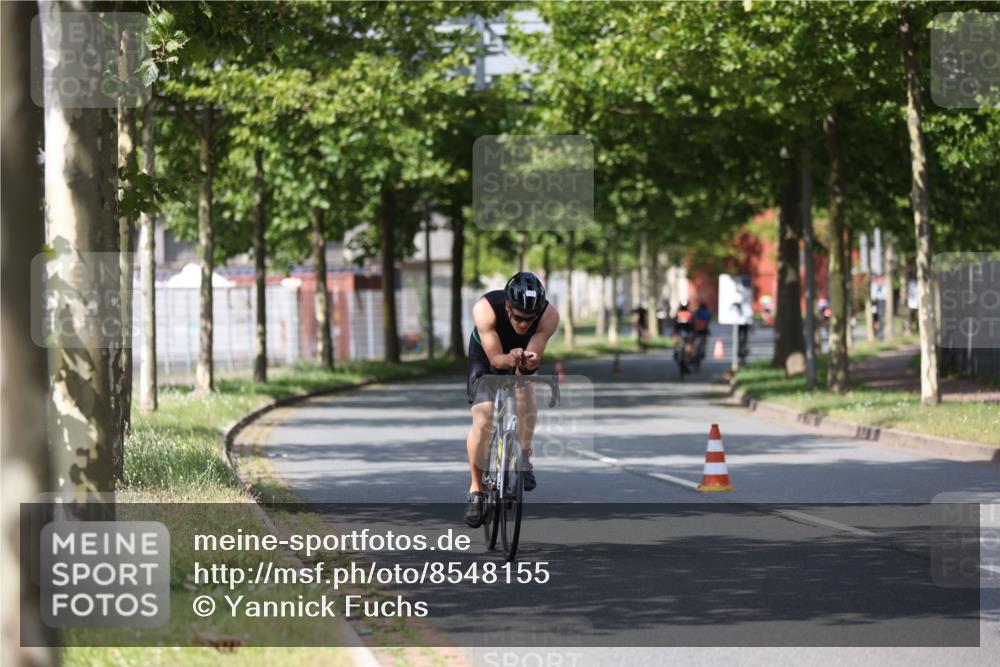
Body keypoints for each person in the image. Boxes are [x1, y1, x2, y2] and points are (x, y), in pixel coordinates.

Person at [464, 272, 560, 528]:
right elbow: (496, 360)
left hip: (521, 357)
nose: (523, 324)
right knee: (483, 419)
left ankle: (524, 457)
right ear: (508, 307)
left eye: (530, 319)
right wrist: (508, 357)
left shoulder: (549, 317)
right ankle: (476, 489)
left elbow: (529, 363)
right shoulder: (485, 309)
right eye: (518, 317)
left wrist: (526, 364)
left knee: (525, 387)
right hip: (487, 355)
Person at [672, 299, 695, 372]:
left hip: (683, 333)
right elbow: (693, 325)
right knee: (688, 347)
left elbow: (674, 325)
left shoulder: (678, 313)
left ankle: (678, 353)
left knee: (685, 346)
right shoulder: (690, 313)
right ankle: (688, 358)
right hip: (685, 333)